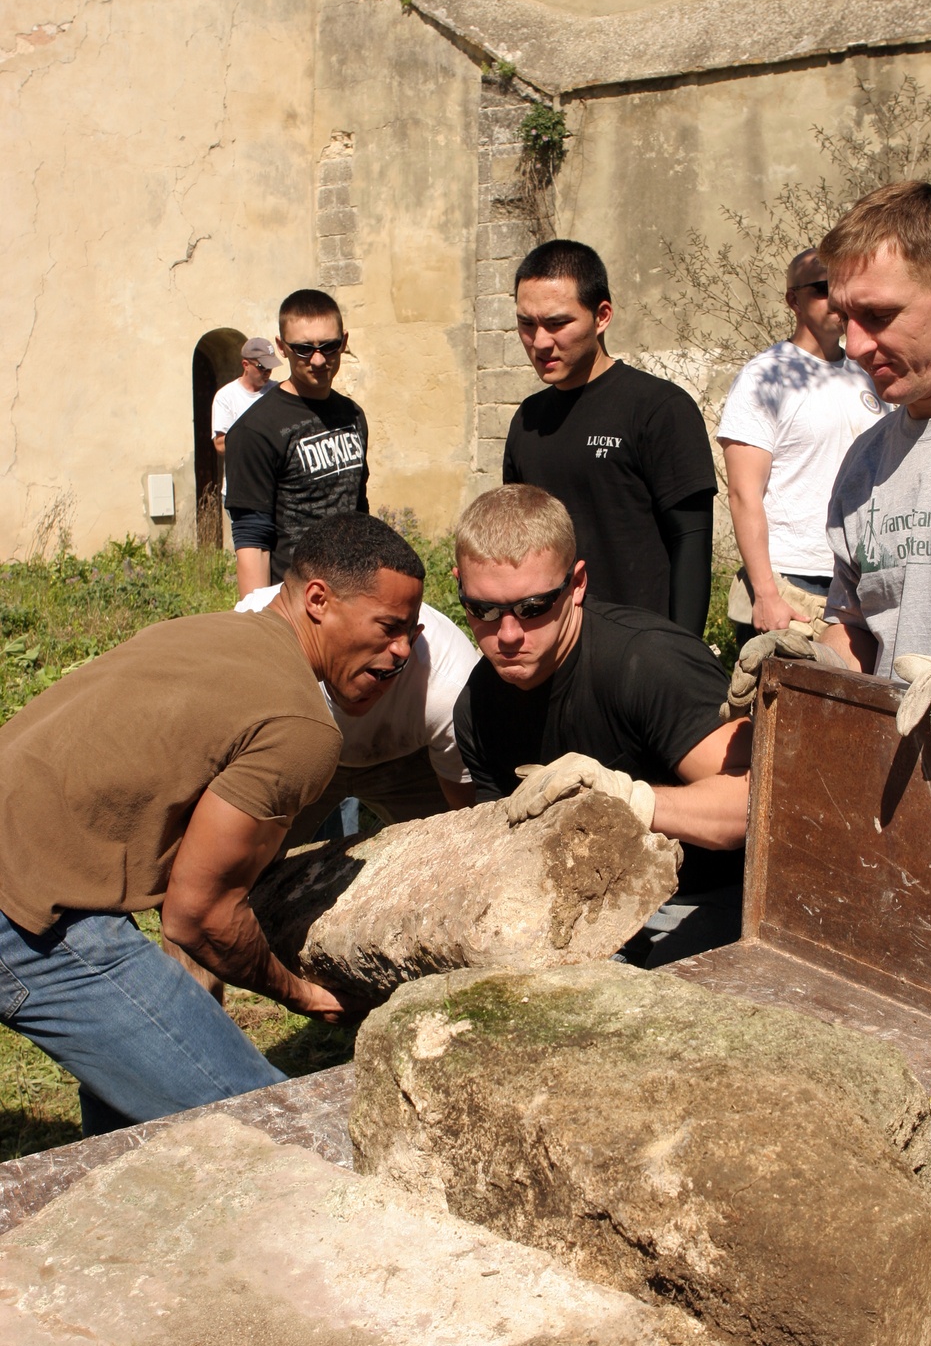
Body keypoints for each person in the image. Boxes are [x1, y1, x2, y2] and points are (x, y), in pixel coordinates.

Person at [0, 513, 425, 1135]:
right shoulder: (301, 726)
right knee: (276, 1136)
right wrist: (303, 994)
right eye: (389, 628)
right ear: (317, 601)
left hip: (34, 877)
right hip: (27, 912)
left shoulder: (197, 632)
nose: (403, 652)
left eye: (412, 633)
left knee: (134, 1120)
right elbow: (199, 917)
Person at [724, 181, 931, 756]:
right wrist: (818, 667)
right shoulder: (864, 463)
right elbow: (858, 625)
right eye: (846, 316)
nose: (853, 345)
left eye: (877, 315)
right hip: (893, 805)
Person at [453, 485, 751, 965]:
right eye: (483, 609)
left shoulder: (647, 663)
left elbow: (754, 801)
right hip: (579, 906)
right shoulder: (478, 704)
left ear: (576, 586)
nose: (507, 634)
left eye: (533, 608)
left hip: (705, 900)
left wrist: (628, 797)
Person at [502, 240, 716, 636]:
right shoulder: (527, 421)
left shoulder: (659, 408)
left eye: (557, 323)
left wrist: (683, 656)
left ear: (602, 316)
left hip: (640, 651)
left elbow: (691, 542)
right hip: (550, 653)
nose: (540, 342)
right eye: (526, 324)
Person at [718, 248, 887, 647]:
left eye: (844, 287)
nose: (837, 299)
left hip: (859, 582)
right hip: (791, 583)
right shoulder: (765, 376)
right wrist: (765, 593)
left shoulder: (870, 373)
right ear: (793, 300)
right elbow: (744, 493)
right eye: (823, 288)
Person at [236, 586, 478, 830]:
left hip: (406, 764)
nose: (362, 684)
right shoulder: (257, 631)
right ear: (317, 605)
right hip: (295, 754)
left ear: (413, 640)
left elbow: (466, 821)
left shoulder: (449, 683)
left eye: (384, 671)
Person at [225, 289, 369, 600]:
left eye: (329, 347)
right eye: (303, 349)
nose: (318, 360)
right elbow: (253, 540)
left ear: (344, 342)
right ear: (282, 347)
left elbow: (359, 513)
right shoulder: (255, 430)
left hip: (351, 598)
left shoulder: (353, 415)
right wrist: (262, 631)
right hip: (294, 609)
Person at [211, 338, 283, 464]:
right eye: (262, 367)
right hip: (241, 478)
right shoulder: (226, 396)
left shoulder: (278, 392)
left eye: (270, 368)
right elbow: (220, 445)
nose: (267, 373)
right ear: (245, 365)